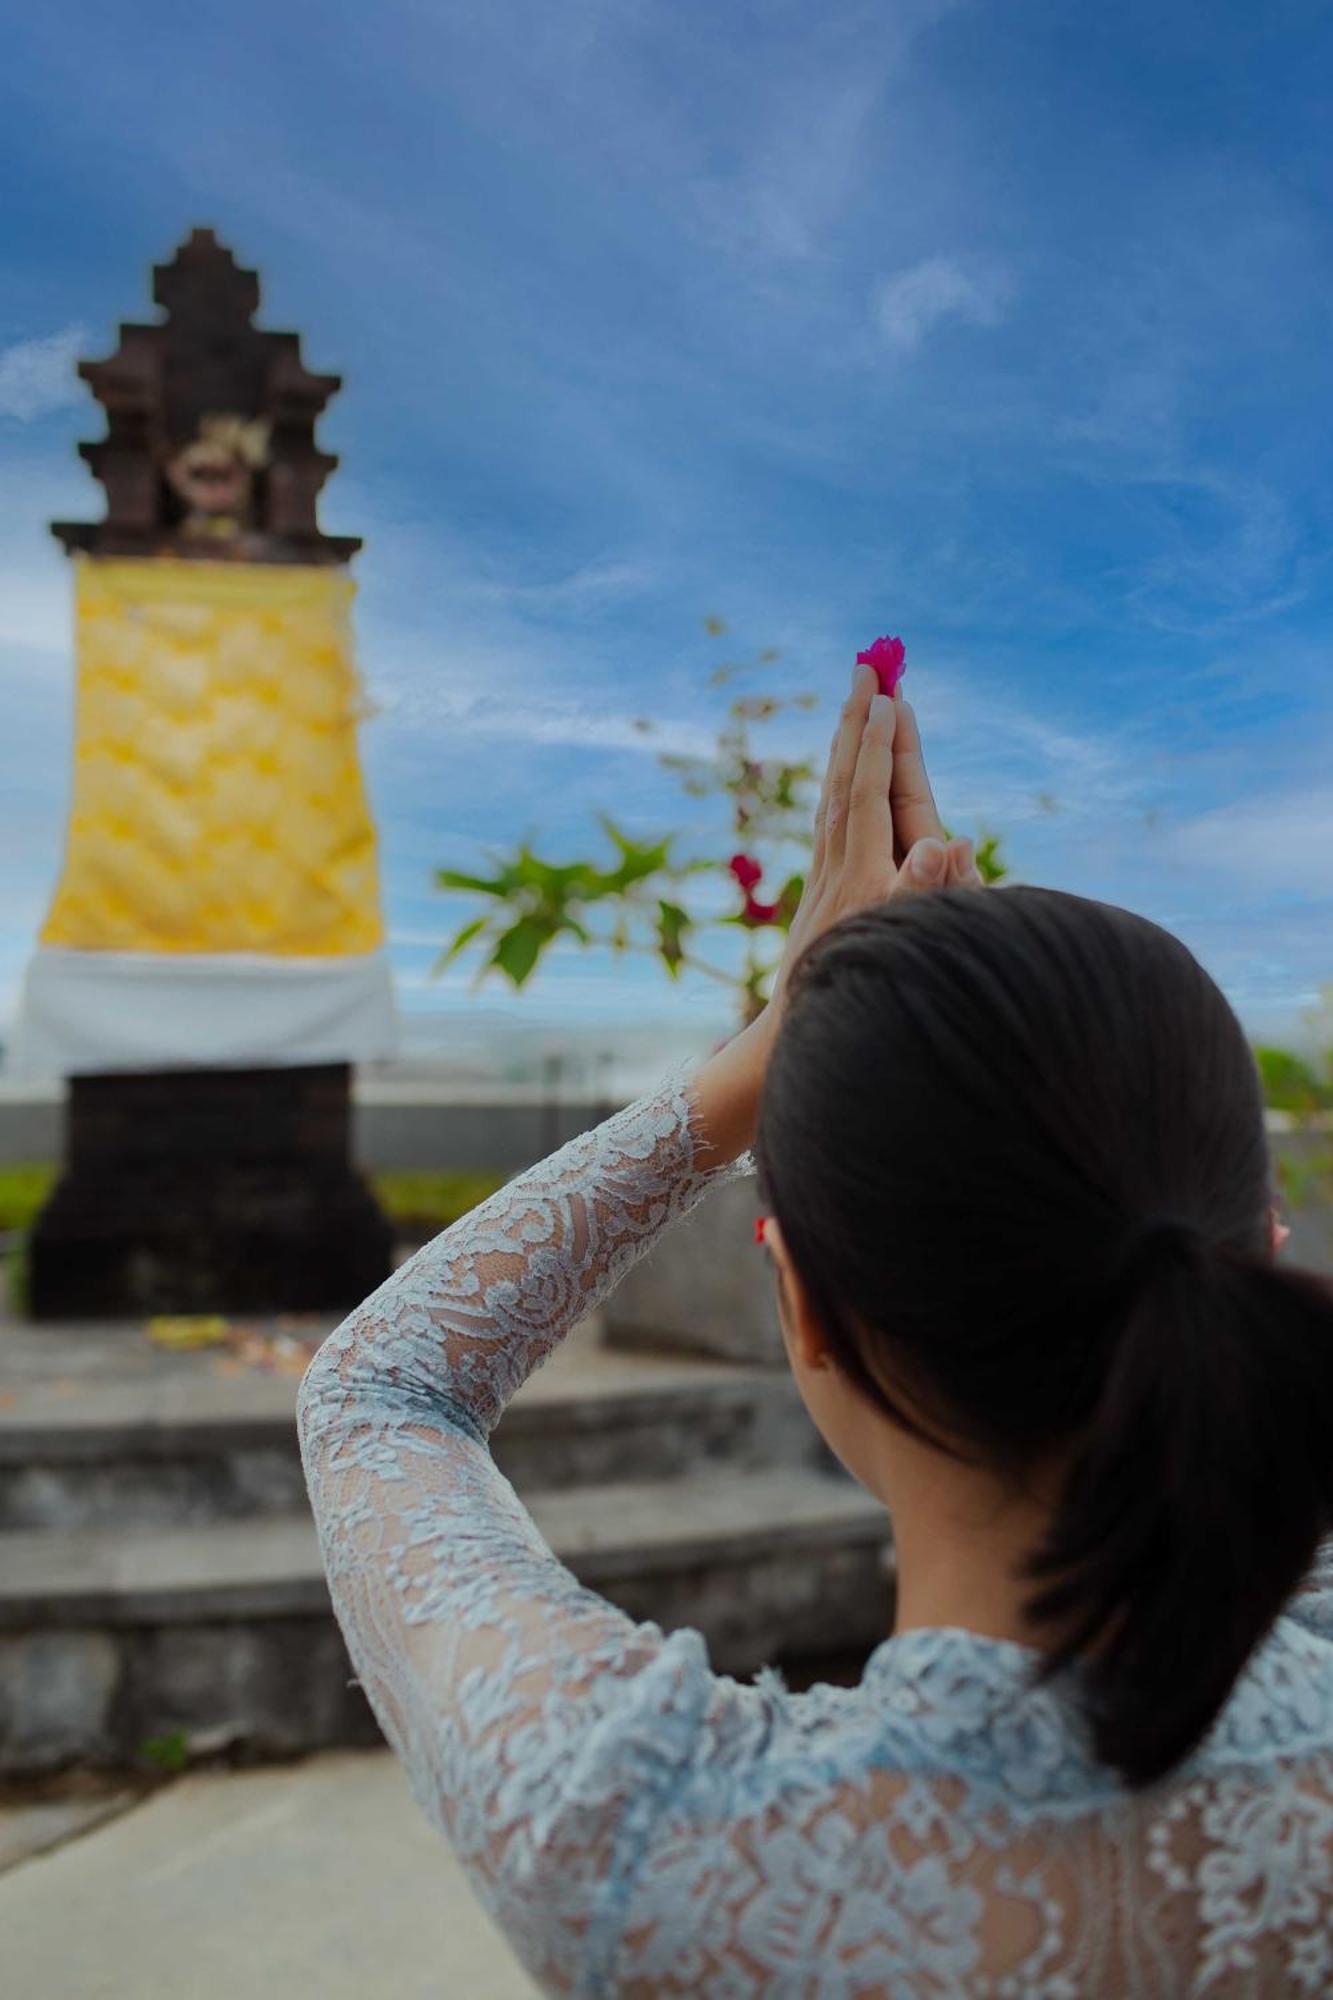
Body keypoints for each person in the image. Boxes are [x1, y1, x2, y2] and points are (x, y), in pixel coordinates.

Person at [297, 663, 1333, 1996]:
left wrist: (765, 1054)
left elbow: (379, 1392)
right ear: (1257, 1253)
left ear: (806, 1309)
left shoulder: (642, 1843)